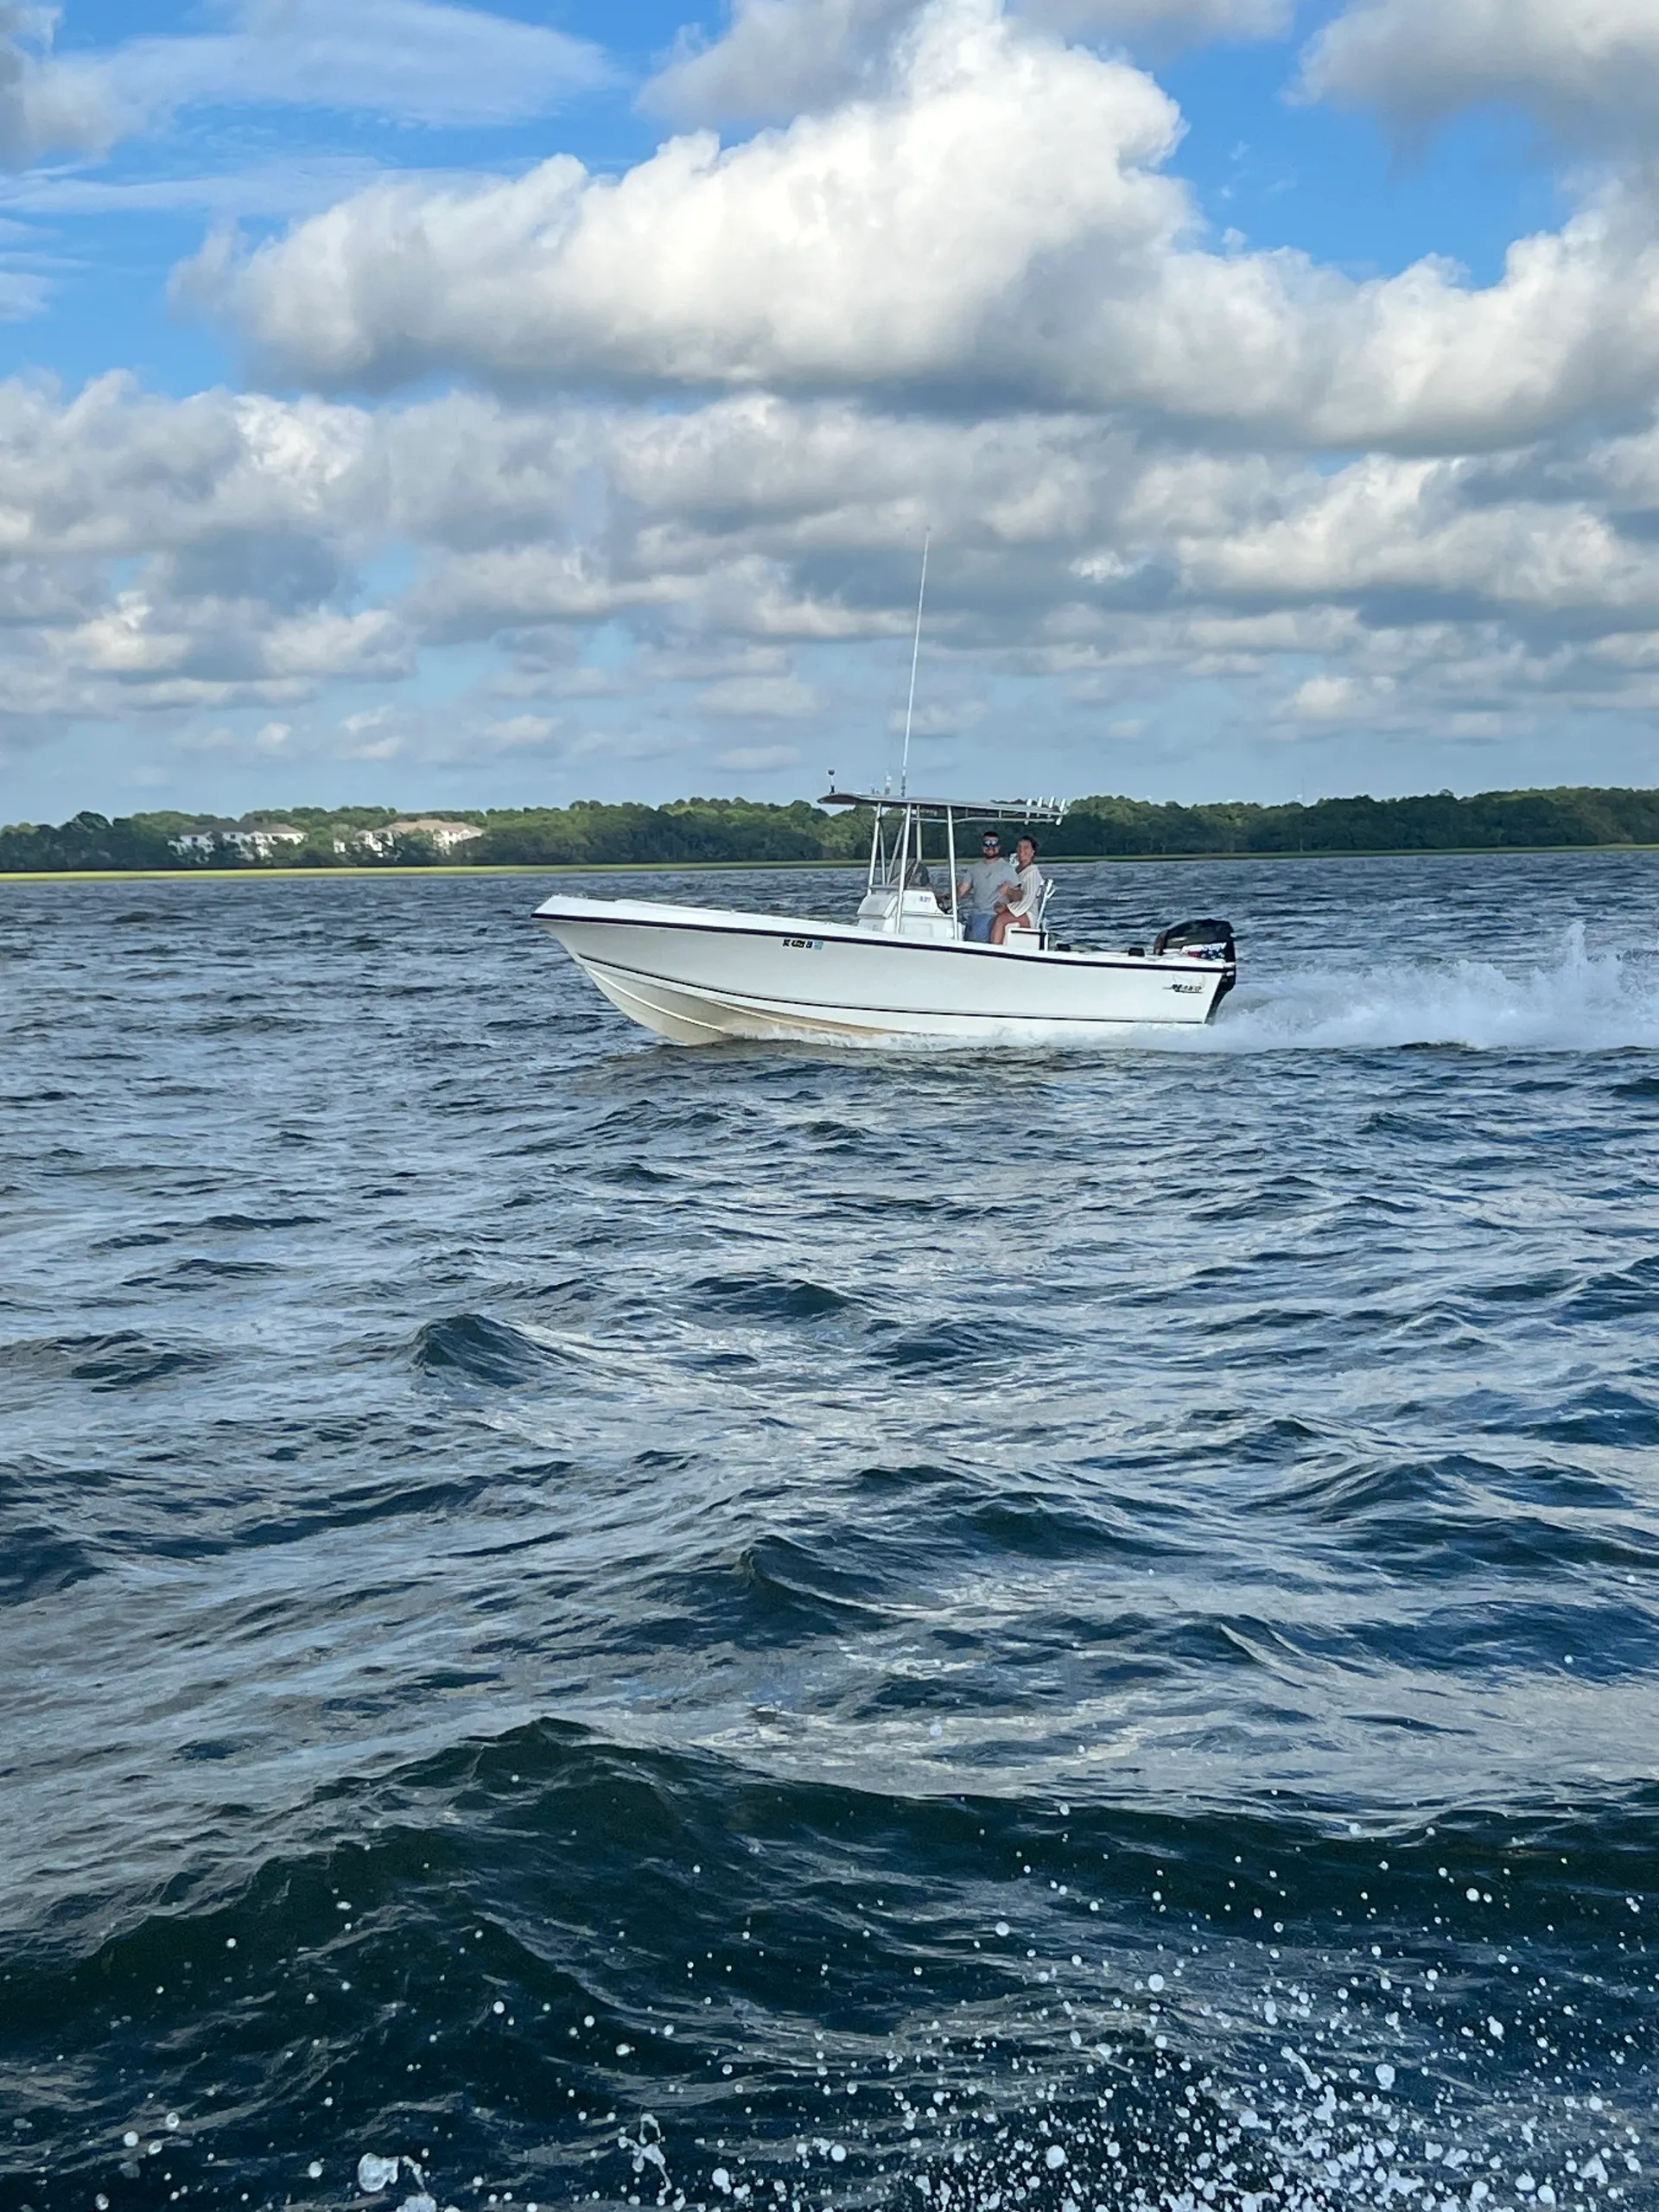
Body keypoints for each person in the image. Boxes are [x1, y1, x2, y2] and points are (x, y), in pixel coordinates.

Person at [956, 830, 1018, 943]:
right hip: (973, 916)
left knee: (975, 947)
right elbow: (962, 890)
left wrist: (1009, 891)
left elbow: (1018, 895)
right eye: (987, 844)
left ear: (999, 847)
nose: (990, 847)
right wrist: (944, 899)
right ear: (982, 847)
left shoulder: (1007, 869)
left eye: (994, 844)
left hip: (991, 917)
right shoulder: (974, 868)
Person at [991, 834, 1045, 944]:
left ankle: (994, 949)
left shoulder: (1033, 874)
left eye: (1026, 848)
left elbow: (1027, 901)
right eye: (1019, 847)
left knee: (1001, 920)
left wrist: (1006, 908)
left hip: (1027, 913)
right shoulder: (1015, 871)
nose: (1021, 850)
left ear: (1032, 852)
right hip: (1015, 909)